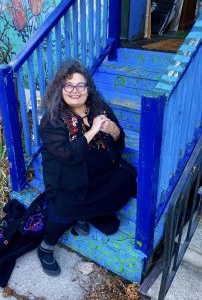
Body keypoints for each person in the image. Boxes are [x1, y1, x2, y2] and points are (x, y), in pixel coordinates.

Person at [38, 59, 137, 276]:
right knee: (62, 206)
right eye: (69, 85)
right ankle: (46, 246)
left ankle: (84, 214)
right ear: (60, 89)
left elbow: (119, 144)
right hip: (69, 178)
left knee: (128, 176)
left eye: (80, 85)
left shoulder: (100, 109)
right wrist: (92, 131)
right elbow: (66, 154)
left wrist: (114, 131)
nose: (75, 90)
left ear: (87, 88)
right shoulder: (51, 120)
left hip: (99, 173)